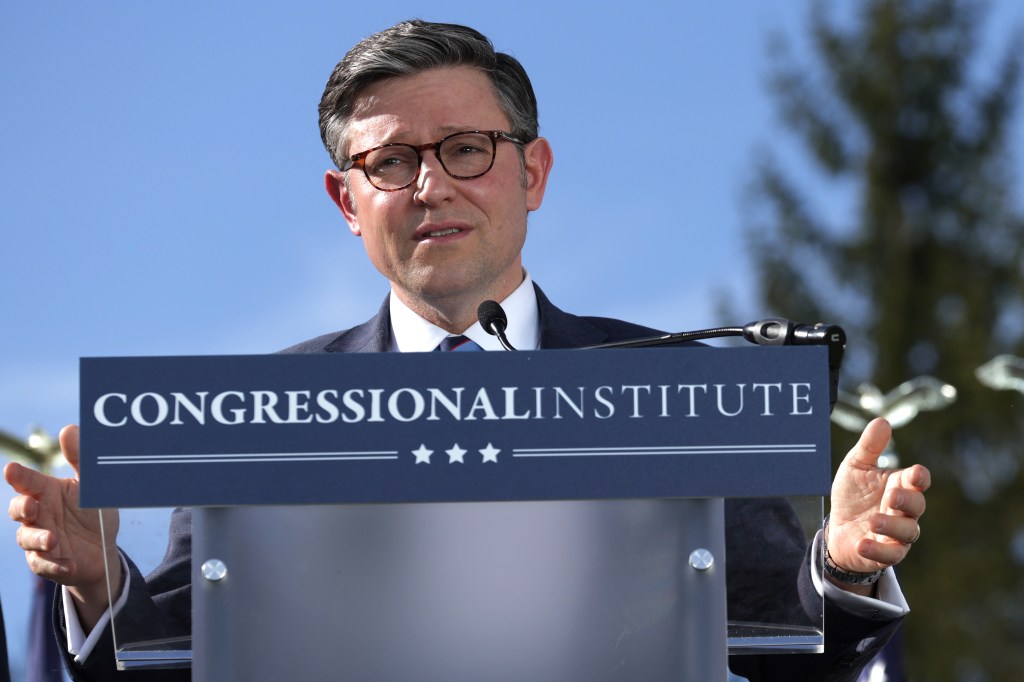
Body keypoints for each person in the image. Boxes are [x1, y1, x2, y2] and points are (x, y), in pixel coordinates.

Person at [5, 19, 930, 682]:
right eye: (391, 162)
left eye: (465, 149)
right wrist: (99, 582)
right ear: (345, 201)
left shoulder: (680, 396)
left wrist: (842, 569)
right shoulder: (259, 417)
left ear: (532, 172)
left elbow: (786, 648)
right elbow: (180, 652)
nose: (430, 185)